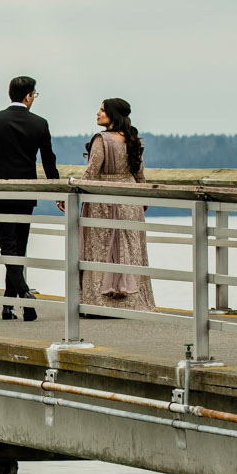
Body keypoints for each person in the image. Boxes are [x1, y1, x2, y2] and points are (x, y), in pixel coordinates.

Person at [0, 75, 60, 321]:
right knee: (18, 247)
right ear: (28, 96)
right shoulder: (40, 124)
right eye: (35, 94)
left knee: (8, 247)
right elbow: (48, 161)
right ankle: (17, 301)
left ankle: (17, 300)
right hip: (26, 192)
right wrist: (56, 190)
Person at [79, 97, 155, 314]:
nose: (97, 113)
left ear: (113, 114)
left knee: (102, 248)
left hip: (104, 200)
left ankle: (100, 304)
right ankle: (132, 303)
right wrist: (143, 200)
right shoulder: (131, 139)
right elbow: (139, 174)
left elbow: (92, 172)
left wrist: (73, 193)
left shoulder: (101, 140)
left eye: (102, 110)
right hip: (130, 198)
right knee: (130, 249)